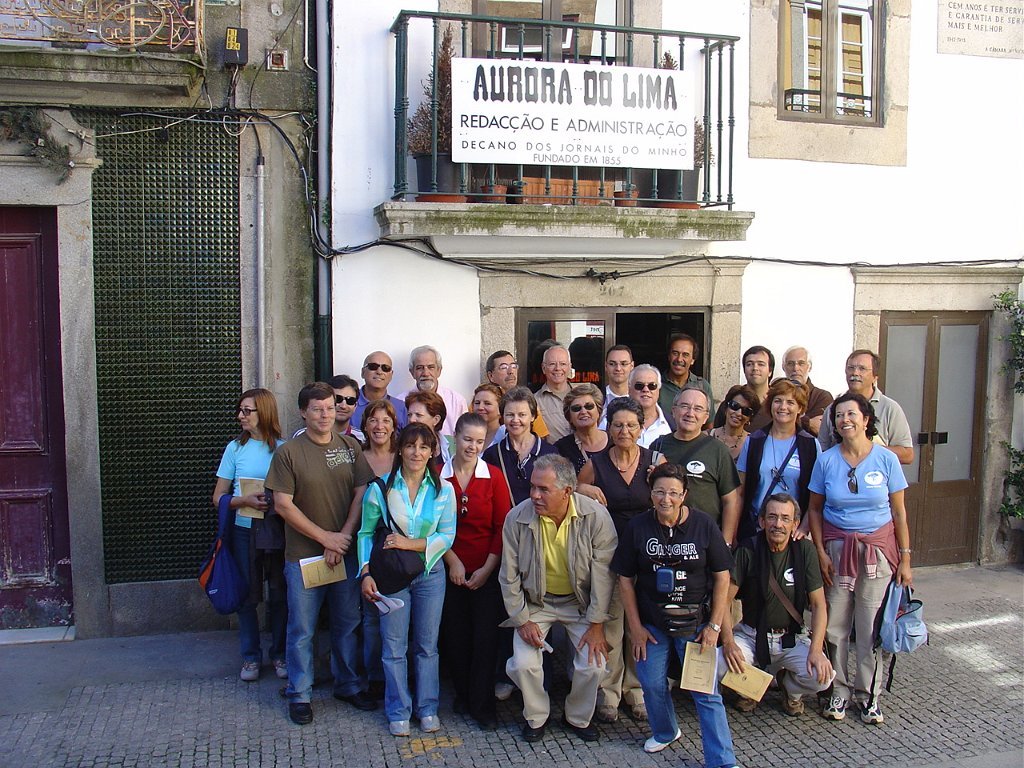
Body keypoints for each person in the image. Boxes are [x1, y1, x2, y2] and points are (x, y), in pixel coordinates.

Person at [264, 382, 377, 725]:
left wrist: (342, 536)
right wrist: (324, 538)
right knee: (302, 628)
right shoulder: (289, 453)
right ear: (303, 412)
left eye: (330, 407)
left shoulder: (350, 446)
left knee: (347, 623)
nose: (326, 414)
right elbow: (283, 505)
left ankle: (347, 684)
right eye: (317, 409)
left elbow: (362, 492)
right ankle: (300, 693)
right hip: (304, 558)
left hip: (345, 552)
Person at [612, 463, 739, 765]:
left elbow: (723, 577)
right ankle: (666, 731)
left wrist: (715, 625)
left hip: (695, 624)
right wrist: (635, 628)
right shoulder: (638, 527)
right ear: (650, 493)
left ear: (684, 494)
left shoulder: (704, 525)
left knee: (705, 693)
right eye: (659, 492)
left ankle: (722, 759)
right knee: (652, 683)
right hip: (652, 623)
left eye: (673, 493)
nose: (665, 499)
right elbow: (625, 579)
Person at [808, 392, 912, 725]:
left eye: (851, 414)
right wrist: (821, 551)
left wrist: (906, 559)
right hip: (837, 550)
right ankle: (838, 693)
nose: (845, 420)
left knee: (870, 628)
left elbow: (899, 512)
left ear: (866, 420)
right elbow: (814, 509)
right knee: (836, 626)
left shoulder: (885, 459)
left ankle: (869, 697)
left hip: (878, 553)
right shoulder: (826, 460)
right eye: (838, 416)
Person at [499, 455, 618, 744]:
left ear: (567, 492)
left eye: (544, 489)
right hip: (536, 605)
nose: (534, 495)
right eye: (533, 487)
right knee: (523, 664)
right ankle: (536, 716)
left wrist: (597, 623)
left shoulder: (596, 517)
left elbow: (605, 577)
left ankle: (576, 716)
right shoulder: (517, 517)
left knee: (595, 665)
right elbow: (508, 576)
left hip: (580, 604)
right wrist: (522, 619)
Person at [358, 423, 457, 737]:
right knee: (394, 646)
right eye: (411, 446)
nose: (417, 452)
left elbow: (448, 535)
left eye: (424, 447)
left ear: (432, 452)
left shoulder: (444, 489)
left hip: (430, 574)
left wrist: (411, 544)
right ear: (400, 449)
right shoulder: (381, 488)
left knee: (427, 647)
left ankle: (427, 708)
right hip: (391, 574)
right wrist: (365, 572)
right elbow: (364, 534)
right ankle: (398, 710)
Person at [578, 398, 665, 723]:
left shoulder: (655, 460)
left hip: (648, 556)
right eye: (617, 424)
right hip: (609, 557)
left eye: (631, 425)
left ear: (641, 428)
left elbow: (671, 494)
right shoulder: (596, 463)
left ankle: (637, 690)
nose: (624, 430)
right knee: (611, 626)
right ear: (608, 427)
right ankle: (609, 693)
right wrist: (584, 488)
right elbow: (572, 490)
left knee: (641, 626)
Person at [718, 494, 833, 716]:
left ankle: (789, 688)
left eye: (784, 518)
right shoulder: (748, 549)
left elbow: (819, 605)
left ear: (795, 524)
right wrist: (728, 640)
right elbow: (724, 600)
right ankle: (750, 690)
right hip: (751, 635)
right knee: (722, 664)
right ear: (762, 521)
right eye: (771, 517)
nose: (778, 524)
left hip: (791, 638)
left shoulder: (805, 550)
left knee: (823, 678)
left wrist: (816, 650)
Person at [439, 413, 513, 730]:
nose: (473, 446)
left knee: (485, 639)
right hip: (448, 565)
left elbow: (502, 526)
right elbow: (429, 526)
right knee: (456, 638)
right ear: (455, 436)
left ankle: (482, 705)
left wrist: (487, 568)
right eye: (467, 439)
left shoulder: (493, 476)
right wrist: (452, 560)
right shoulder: (437, 476)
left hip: (487, 569)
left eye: (479, 441)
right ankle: (463, 694)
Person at [213, 388, 287, 683]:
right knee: (247, 596)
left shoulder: (283, 448)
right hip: (243, 531)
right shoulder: (235, 448)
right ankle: (250, 656)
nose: (240, 416)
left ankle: (280, 653)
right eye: (240, 410)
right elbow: (218, 496)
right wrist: (244, 501)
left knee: (280, 595)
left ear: (264, 413)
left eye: (247, 411)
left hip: (277, 531)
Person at [652, 388, 741, 544]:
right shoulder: (658, 446)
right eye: (684, 406)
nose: (690, 413)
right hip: (663, 537)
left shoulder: (718, 450)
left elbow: (730, 500)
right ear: (674, 410)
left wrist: (725, 543)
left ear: (706, 416)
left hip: (704, 539)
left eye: (698, 408)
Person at [737, 379, 821, 541]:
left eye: (790, 402)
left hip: (794, 532)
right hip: (757, 528)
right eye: (778, 401)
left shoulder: (810, 445)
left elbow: (815, 497)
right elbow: (740, 492)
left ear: (800, 409)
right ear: (770, 405)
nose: (783, 407)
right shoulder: (754, 441)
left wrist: (804, 527)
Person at [358, 398, 400, 698]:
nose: (379, 426)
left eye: (386, 420)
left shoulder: (404, 457)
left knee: (397, 617)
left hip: (397, 549)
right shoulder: (355, 457)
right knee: (370, 616)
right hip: (363, 542)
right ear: (365, 425)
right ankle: (374, 678)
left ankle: (399, 675)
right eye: (373, 420)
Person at [818, 349, 915, 466]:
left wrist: (867, 449)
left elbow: (907, 455)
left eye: (862, 369)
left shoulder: (890, 408)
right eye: (850, 368)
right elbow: (822, 450)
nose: (855, 373)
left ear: (875, 376)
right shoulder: (833, 409)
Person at [482, 386, 558, 505]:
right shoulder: (492, 455)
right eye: (510, 415)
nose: (515, 420)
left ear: (533, 416)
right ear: (503, 416)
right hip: (506, 522)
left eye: (522, 415)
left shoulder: (550, 453)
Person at [485, 350, 549, 440]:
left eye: (514, 366)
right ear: (491, 376)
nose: (511, 371)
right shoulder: (481, 401)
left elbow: (541, 437)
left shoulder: (527, 400)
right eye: (504, 367)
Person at [407, 345, 467, 437]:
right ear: (412, 372)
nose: (426, 373)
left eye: (431, 367)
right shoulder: (400, 401)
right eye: (420, 368)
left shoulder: (456, 401)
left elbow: (465, 435)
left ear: (439, 370)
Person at [712, 346, 775, 434]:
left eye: (761, 364)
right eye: (749, 364)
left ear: (770, 371)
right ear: (744, 370)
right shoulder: (731, 404)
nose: (755, 368)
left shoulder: (779, 404)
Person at [658, 333, 714, 431]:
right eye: (675, 353)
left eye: (685, 355)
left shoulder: (702, 386)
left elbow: (709, 425)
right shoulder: (655, 386)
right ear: (669, 356)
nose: (679, 359)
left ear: (692, 360)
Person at [554, 383, 608, 473]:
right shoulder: (560, 449)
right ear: (569, 417)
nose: (583, 411)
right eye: (576, 408)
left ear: (599, 411)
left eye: (589, 406)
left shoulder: (614, 441)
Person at [781, 346, 833, 436]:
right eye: (790, 363)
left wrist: (784, 418)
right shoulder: (774, 394)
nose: (795, 368)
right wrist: (807, 422)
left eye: (801, 363)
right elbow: (770, 422)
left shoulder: (822, 397)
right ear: (783, 367)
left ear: (809, 367)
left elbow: (820, 429)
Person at [353, 351, 408, 429]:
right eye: (373, 366)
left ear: (391, 375)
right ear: (362, 372)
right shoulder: (348, 402)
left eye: (385, 368)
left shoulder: (402, 408)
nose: (379, 372)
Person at [624, 364, 672, 448]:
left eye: (652, 386)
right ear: (629, 389)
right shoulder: (613, 422)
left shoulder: (672, 424)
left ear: (658, 390)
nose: (646, 390)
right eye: (639, 386)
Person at [709, 384, 759, 462]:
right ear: (726, 408)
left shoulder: (754, 444)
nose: (739, 413)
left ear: (750, 417)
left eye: (746, 411)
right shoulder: (705, 437)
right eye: (734, 406)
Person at [534, 343, 574, 443]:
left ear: (569, 367)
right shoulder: (534, 402)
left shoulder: (582, 396)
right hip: (553, 457)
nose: (557, 368)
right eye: (552, 364)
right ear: (543, 368)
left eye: (563, 364)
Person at [405, 390, 449, 464]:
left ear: (436, 420)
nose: (411, 420)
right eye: (409, 415)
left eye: (418, 415)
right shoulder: (402, 444)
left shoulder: (451, 444)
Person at [471, 382, 505, 449]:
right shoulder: (467, 434)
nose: (480, 407)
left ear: (500, 408)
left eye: (487, 403)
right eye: (477, 403)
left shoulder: (506, 436)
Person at [603, 345, 634, 414]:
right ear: (606, 366)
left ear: (632, 366)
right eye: (612, 364)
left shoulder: (639, 398)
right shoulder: (598, 398)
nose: (618, 368)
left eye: (623, 364)